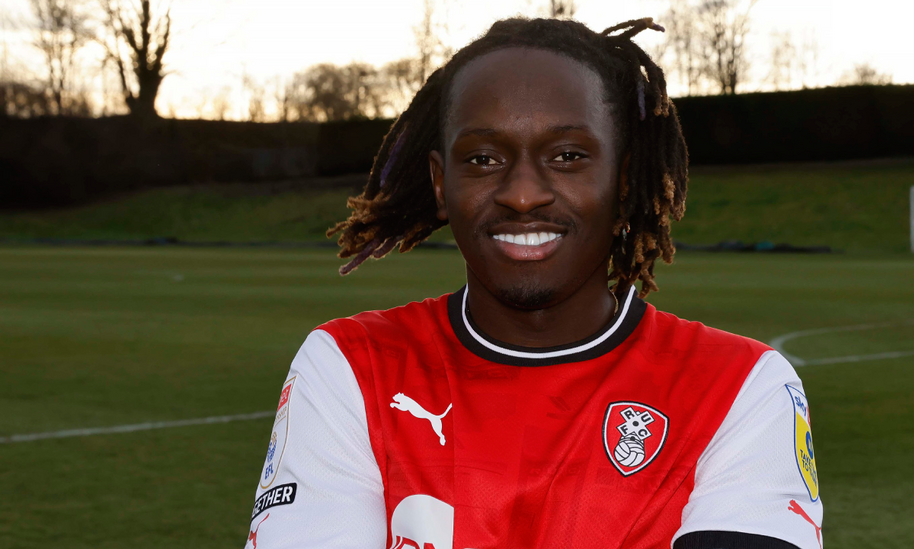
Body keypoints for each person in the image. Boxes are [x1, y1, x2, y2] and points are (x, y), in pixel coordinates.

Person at [245, 17, 823, 549]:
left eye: (567, 156)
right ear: (441, 185)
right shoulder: (351, 366)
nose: (523, 194)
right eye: (483, 159)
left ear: (623, 182)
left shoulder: (740, 387)